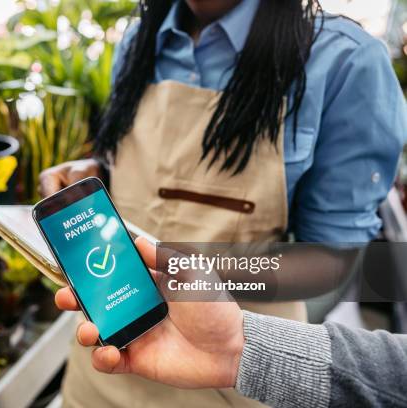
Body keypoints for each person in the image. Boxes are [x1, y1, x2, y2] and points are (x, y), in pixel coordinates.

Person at [39, 0, 406, 406]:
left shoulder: (343, 63)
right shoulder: (137, 39)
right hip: (104, 366)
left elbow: (330, 262)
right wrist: (95, 169)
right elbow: (149, 169)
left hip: (235, 370)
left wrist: (184, 275)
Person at [54, 237, 407, 408]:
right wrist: (100, 164)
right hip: (113, 360)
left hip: (230, 379)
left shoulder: (349, 90)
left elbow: (331, 263)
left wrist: (199, 273)